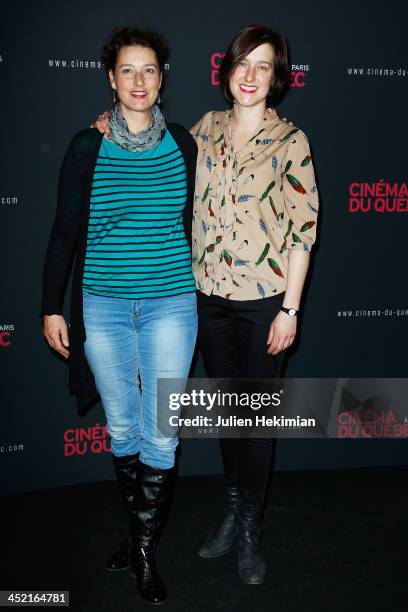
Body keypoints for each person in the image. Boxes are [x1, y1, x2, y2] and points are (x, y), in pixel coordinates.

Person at [94, 23, 319, 587]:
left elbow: (302, 233)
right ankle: (229, 509)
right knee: (226, 416)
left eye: (263, 66)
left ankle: (249, 527)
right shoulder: (202, 131)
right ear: (227, 72)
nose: (250, 75)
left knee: (256, 422)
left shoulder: (292, 142)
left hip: (265, 304)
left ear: (276, 78)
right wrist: (108, 127)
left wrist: (290, 310)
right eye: (243, 63)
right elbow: (150, 154)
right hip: (207, 299)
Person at [42, 26, 198, 605]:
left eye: (149, 70)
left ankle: (143, 553)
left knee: (161, 431)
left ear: (162, 79)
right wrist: (48, 308)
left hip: (171, 307)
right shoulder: (88, 146)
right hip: (102, 308)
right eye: (127, 70)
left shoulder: (184, 144)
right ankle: (138, 539)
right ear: (111, 78)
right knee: (123, 428)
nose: (139, 81)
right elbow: (63, 235)